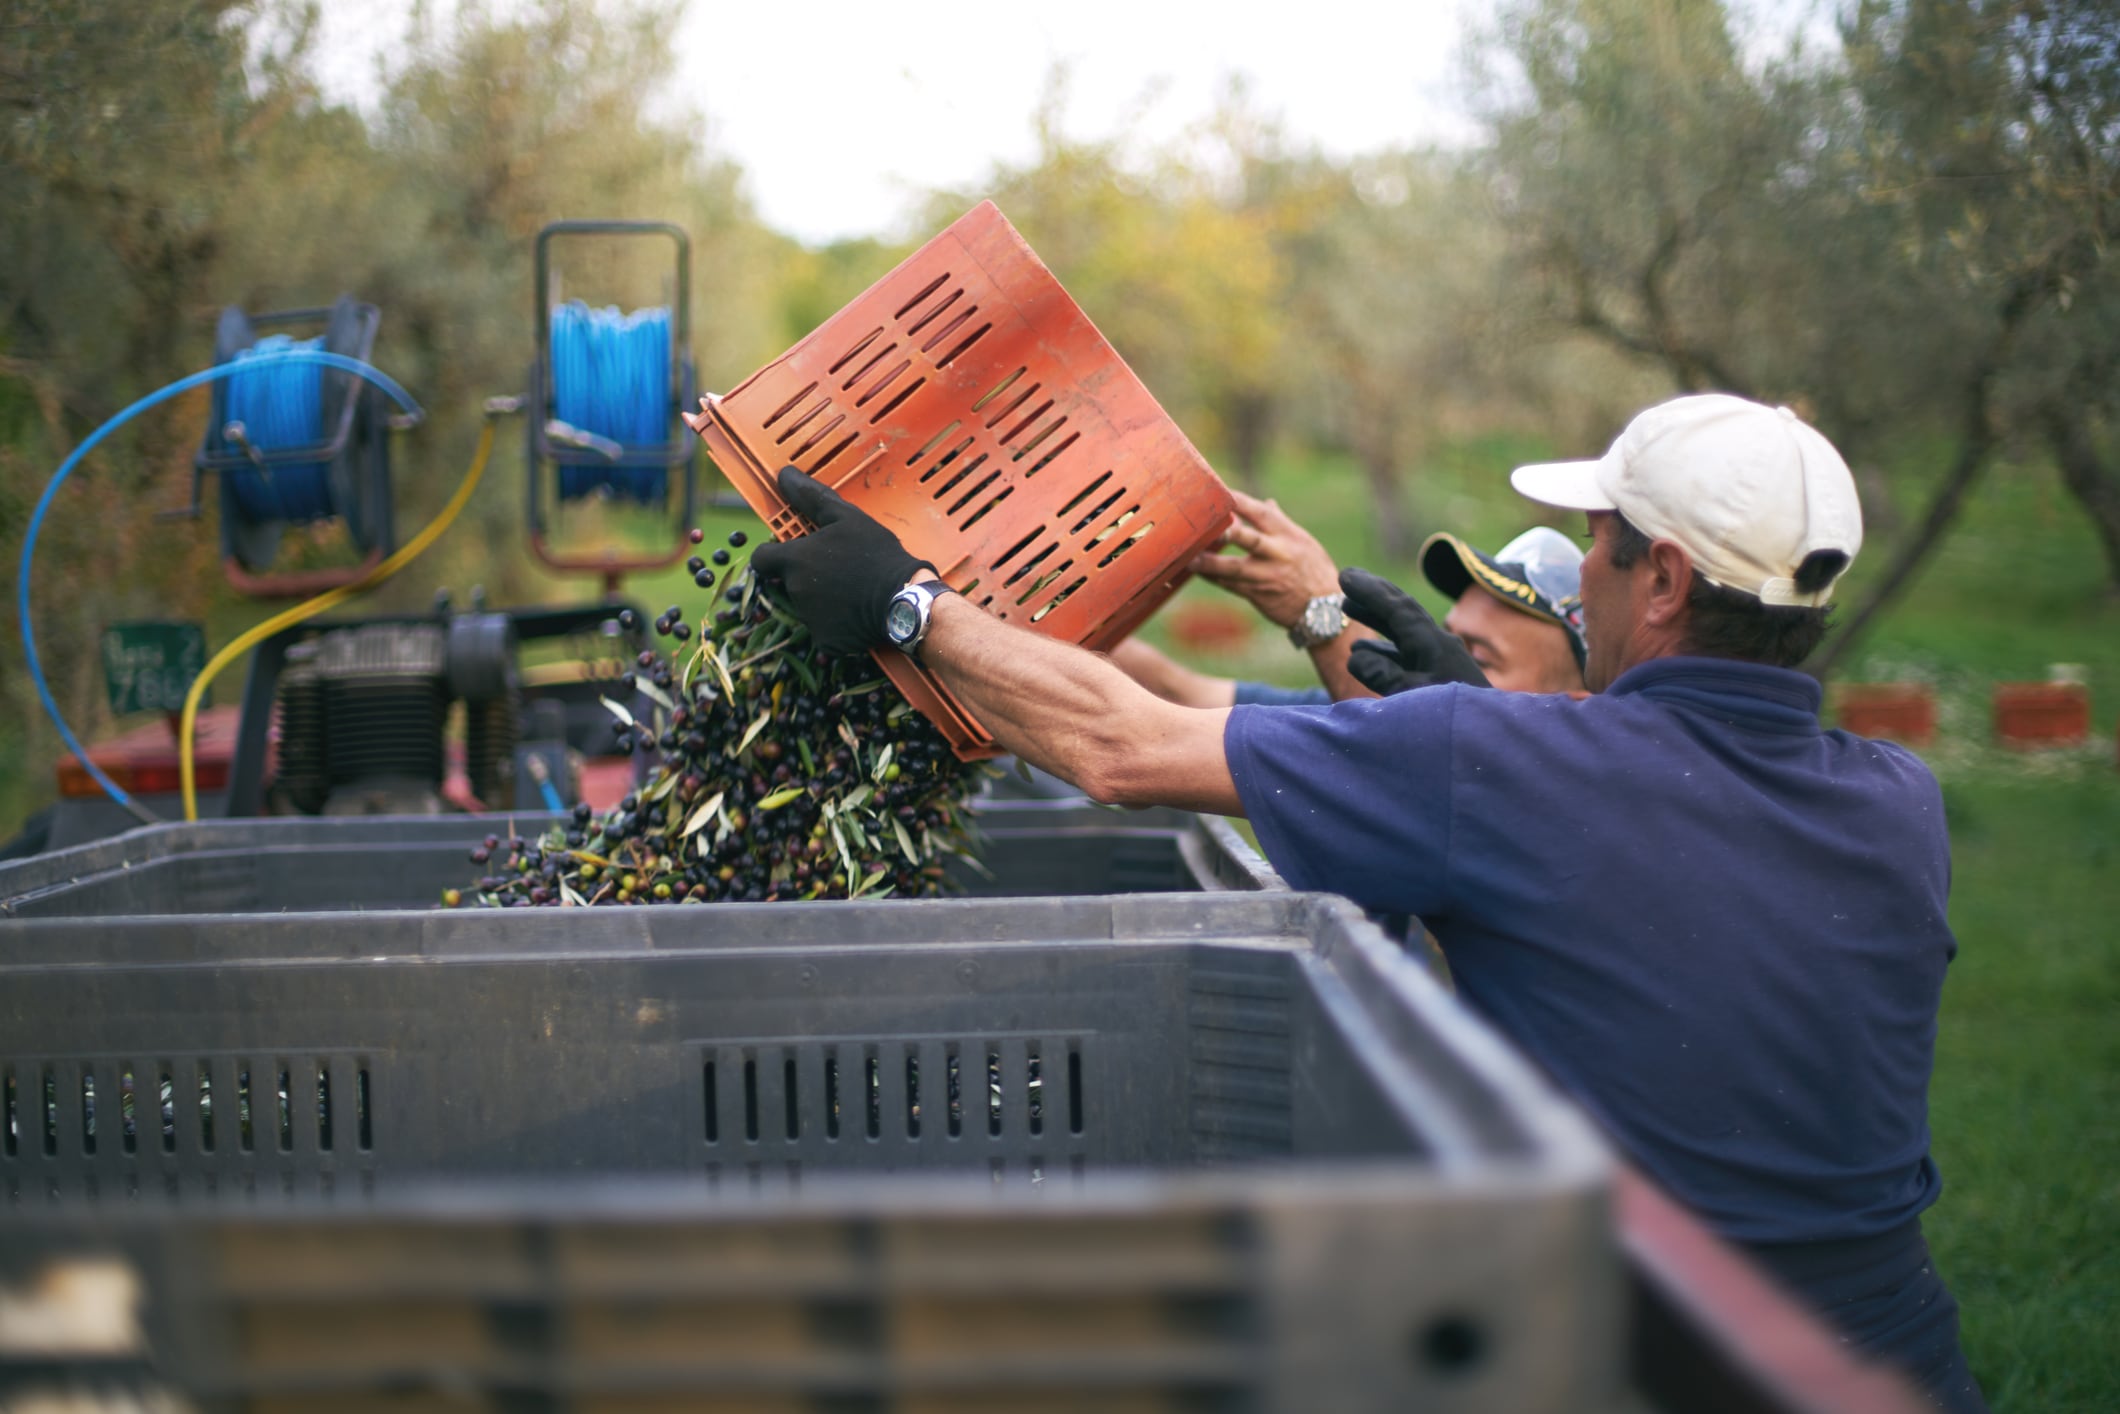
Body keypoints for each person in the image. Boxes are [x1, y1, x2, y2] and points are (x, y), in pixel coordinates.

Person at [749, 393, 1985, 1411]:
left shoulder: (1496, 766)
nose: (1590, 580)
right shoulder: (1899, 804)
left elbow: (1121, 752)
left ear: (1658, 581)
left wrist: (906, 603)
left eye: (1598, 545)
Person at [1111, 515, 1588, 706]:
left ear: (1576, 703)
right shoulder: (1376, 715)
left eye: (1478, 660)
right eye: (1446, 647)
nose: (1442, 673)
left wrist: (1319, 609)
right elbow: (1175, 692)